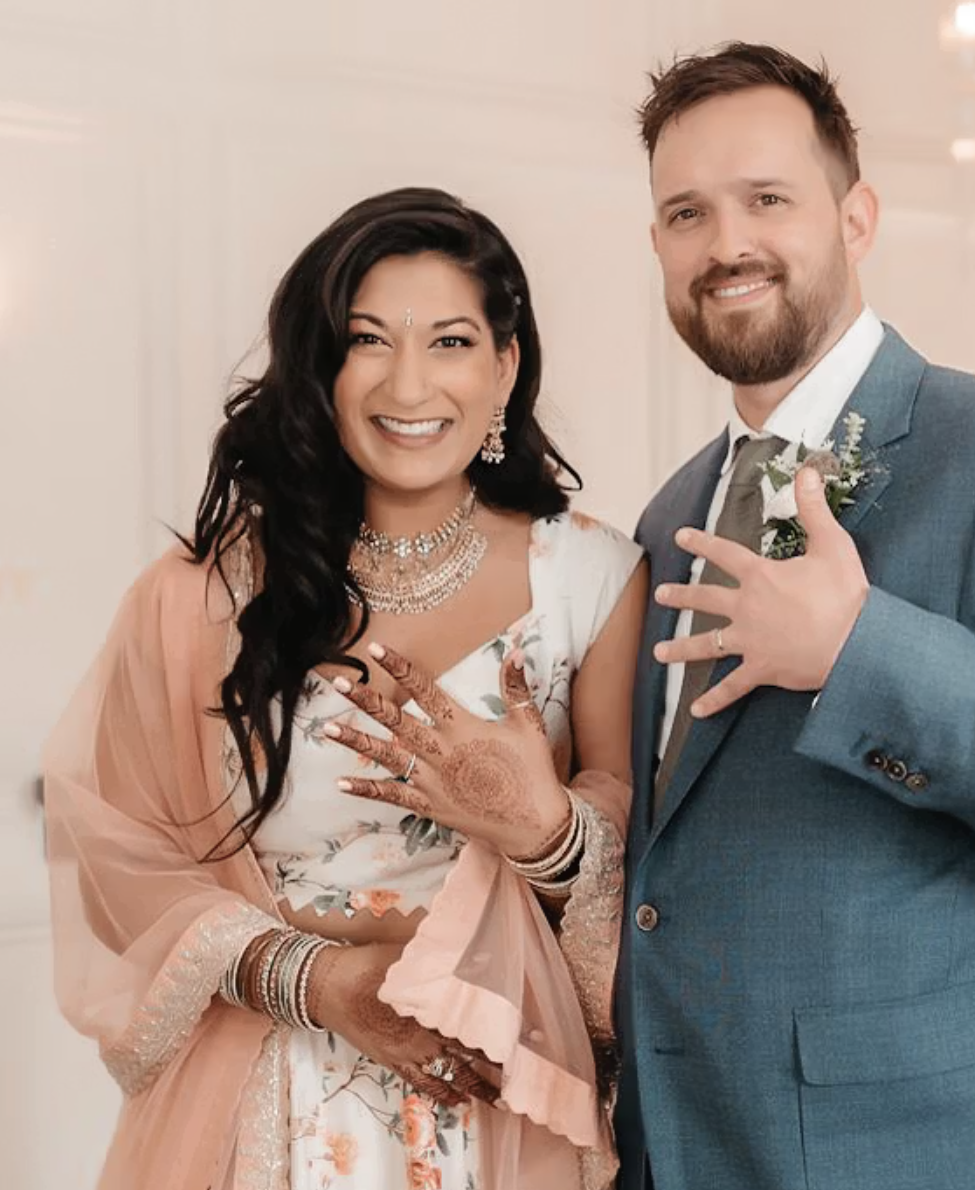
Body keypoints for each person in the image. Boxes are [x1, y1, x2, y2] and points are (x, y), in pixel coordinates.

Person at [614, 42, 975, 1190]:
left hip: (928, 1149)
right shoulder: (669, 510)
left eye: (766, 199)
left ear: (854, 216)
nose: (725, 244)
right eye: (686, 213)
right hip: (688, 1138)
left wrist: (855, 652)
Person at [44, 186, 646, 1190]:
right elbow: (116, 855)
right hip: (261, 1105)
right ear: (322, 368)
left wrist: (541, 822)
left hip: (501, 1116)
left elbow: (645, 866)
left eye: (450, 341)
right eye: (369, 339)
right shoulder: (205, 595)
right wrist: (321, 981)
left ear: (504, 367)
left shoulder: (591, 582)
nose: (408, 382)